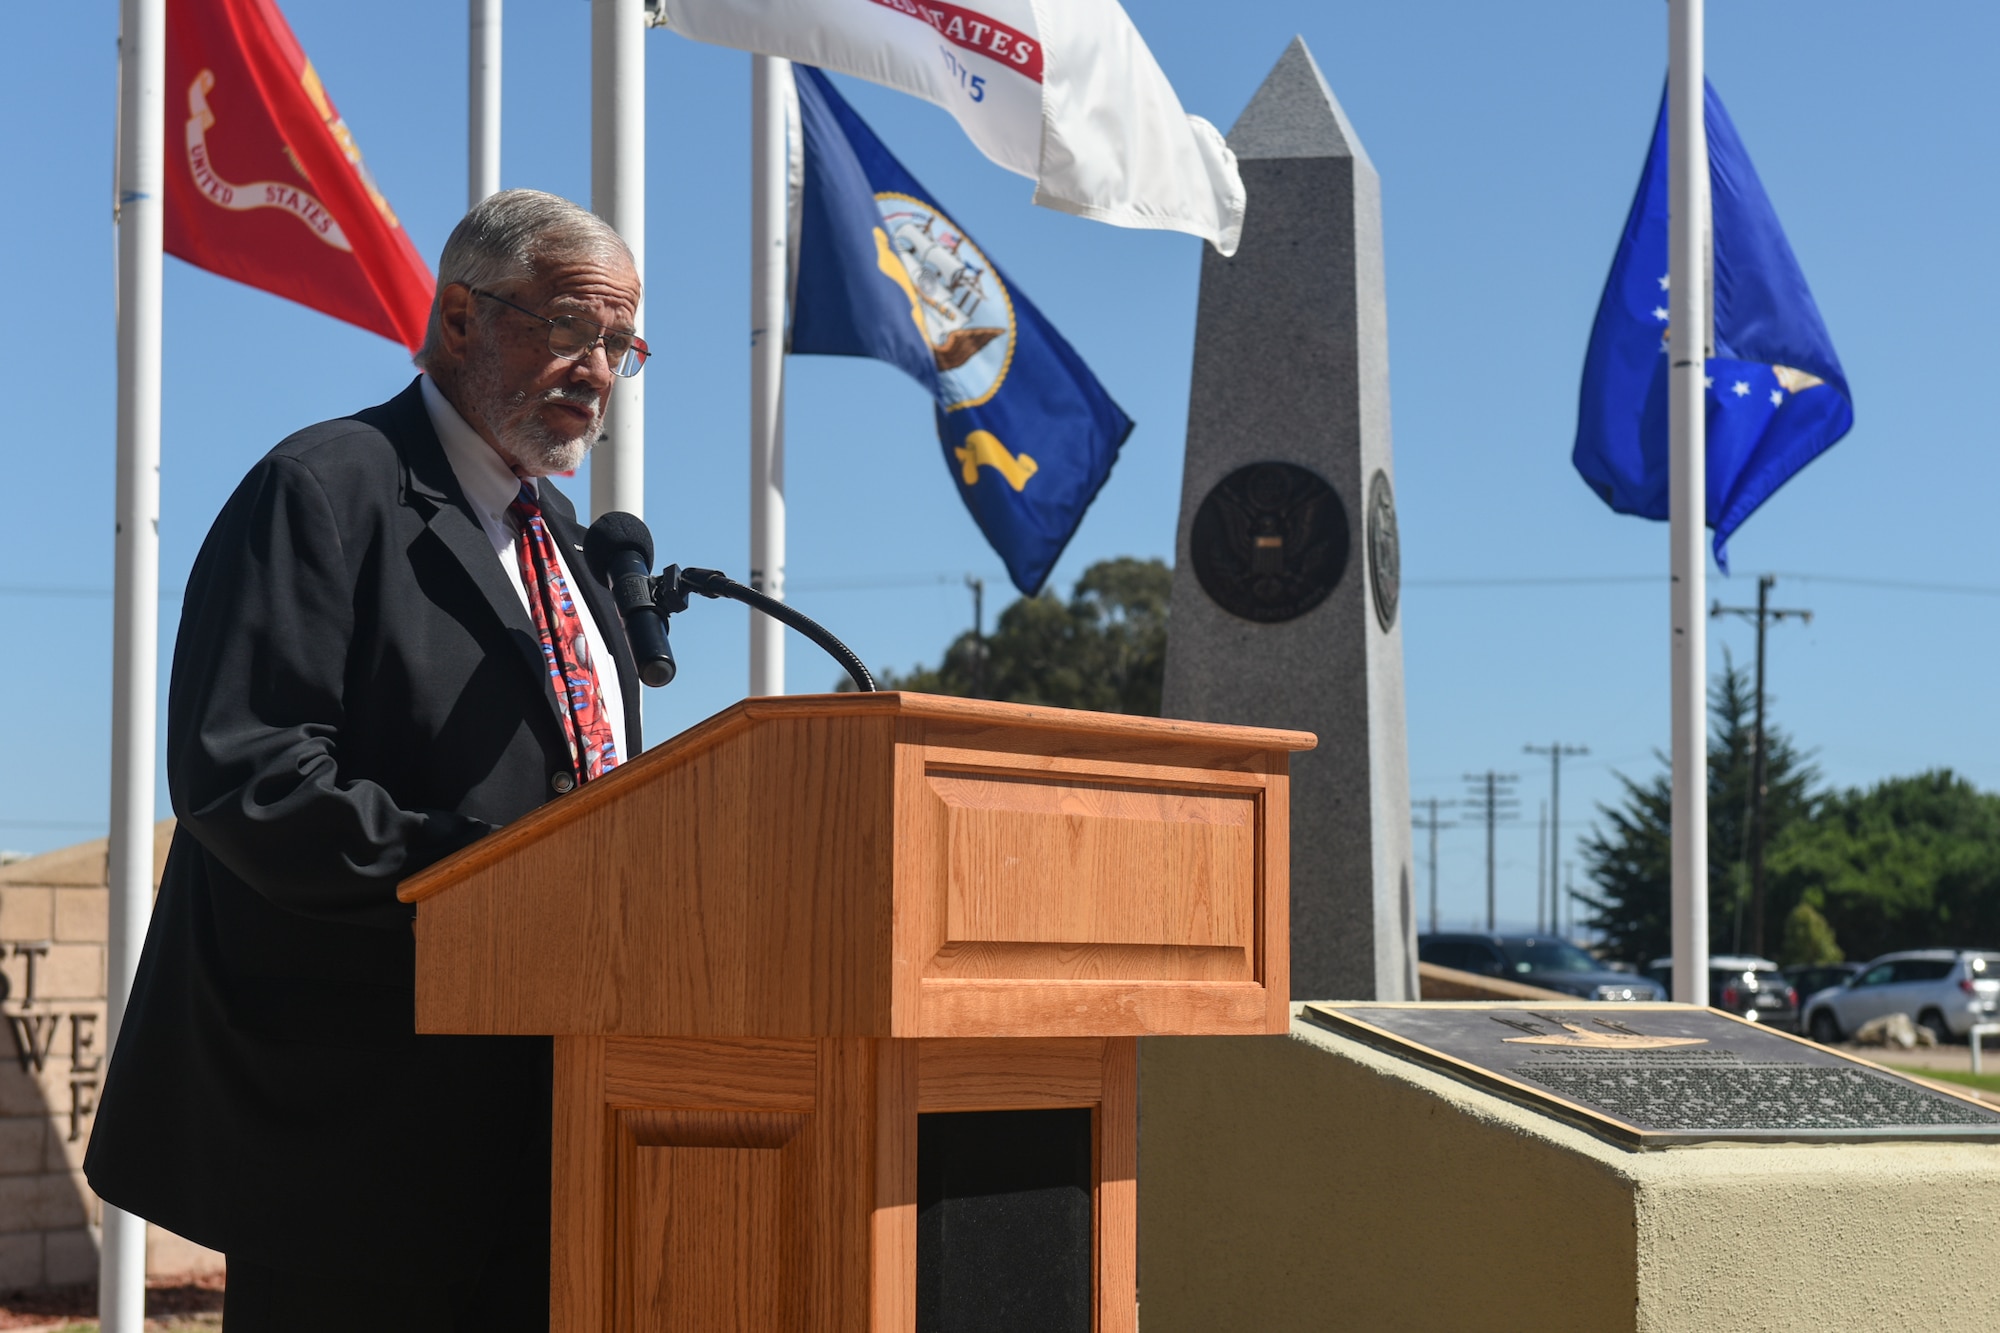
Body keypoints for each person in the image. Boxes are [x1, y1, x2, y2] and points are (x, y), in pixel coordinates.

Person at [84, 189, 648, 1331]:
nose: (596, 369)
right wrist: (497, 875)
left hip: (553, 1128)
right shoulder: (324, 488)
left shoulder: (567, 554)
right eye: (569, 327)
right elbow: (249, 777)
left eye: (620, 344)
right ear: (457, 319)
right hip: (358, 1145)